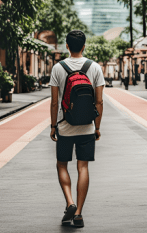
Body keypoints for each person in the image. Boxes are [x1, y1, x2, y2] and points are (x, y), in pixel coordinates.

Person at [49, 30, 104, 228]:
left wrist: (54, 126)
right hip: (87, 127)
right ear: (84, 45)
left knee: (61, 165)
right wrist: (97, 127)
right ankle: (79, 213)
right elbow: (99, 102)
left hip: (65, 126)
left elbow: (55, 102)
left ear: (67, 45)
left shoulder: (58, 68)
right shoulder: (95, 67)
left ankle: (69, 202)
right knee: (83, 167)